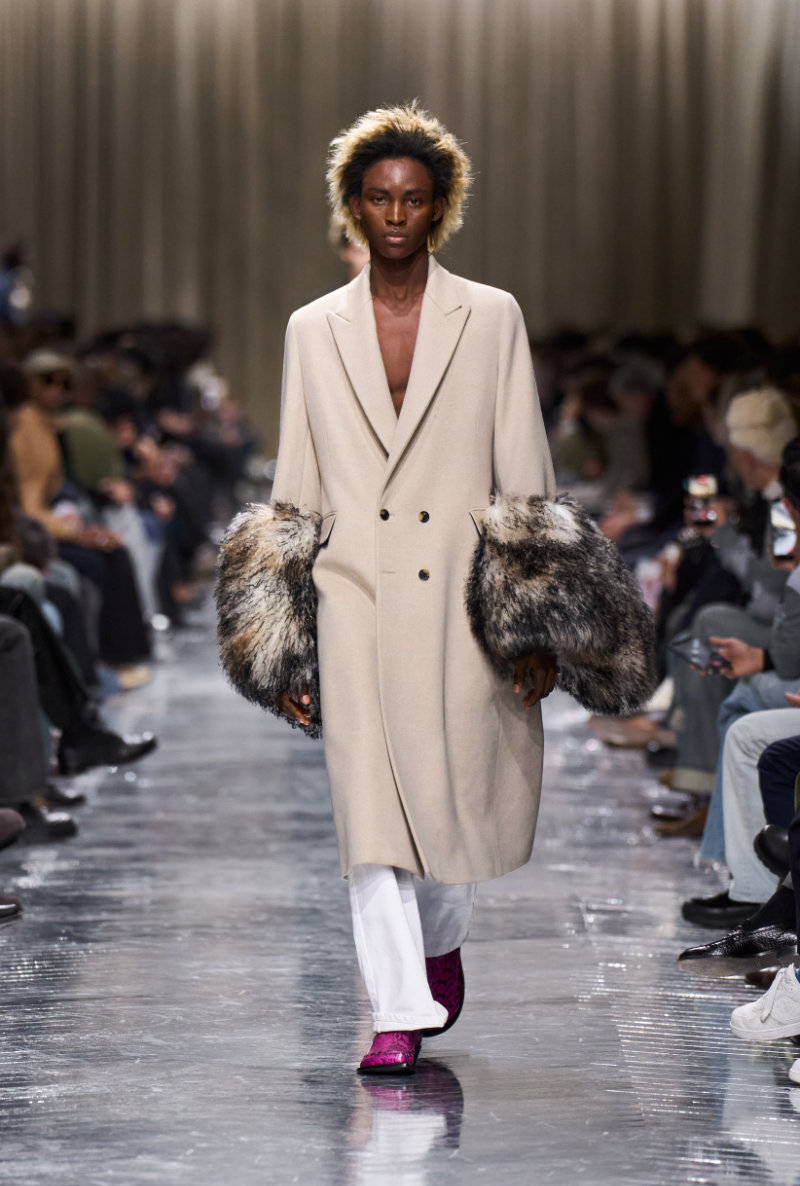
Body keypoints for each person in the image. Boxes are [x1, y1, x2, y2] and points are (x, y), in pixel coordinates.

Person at [217, 104, 653, 1075]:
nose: (394, 215)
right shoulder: (311, 329)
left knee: (450, 807)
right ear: (352, 206)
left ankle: (440, 943)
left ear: (441, 206)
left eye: (412, 198)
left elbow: (523, 476)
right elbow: (297, 488)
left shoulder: (490, 317)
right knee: (369, 822)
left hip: (460, 605)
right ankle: (395, 1011)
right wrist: (283, 644)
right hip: (354, 600)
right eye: (377, 198)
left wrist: (534, 624)